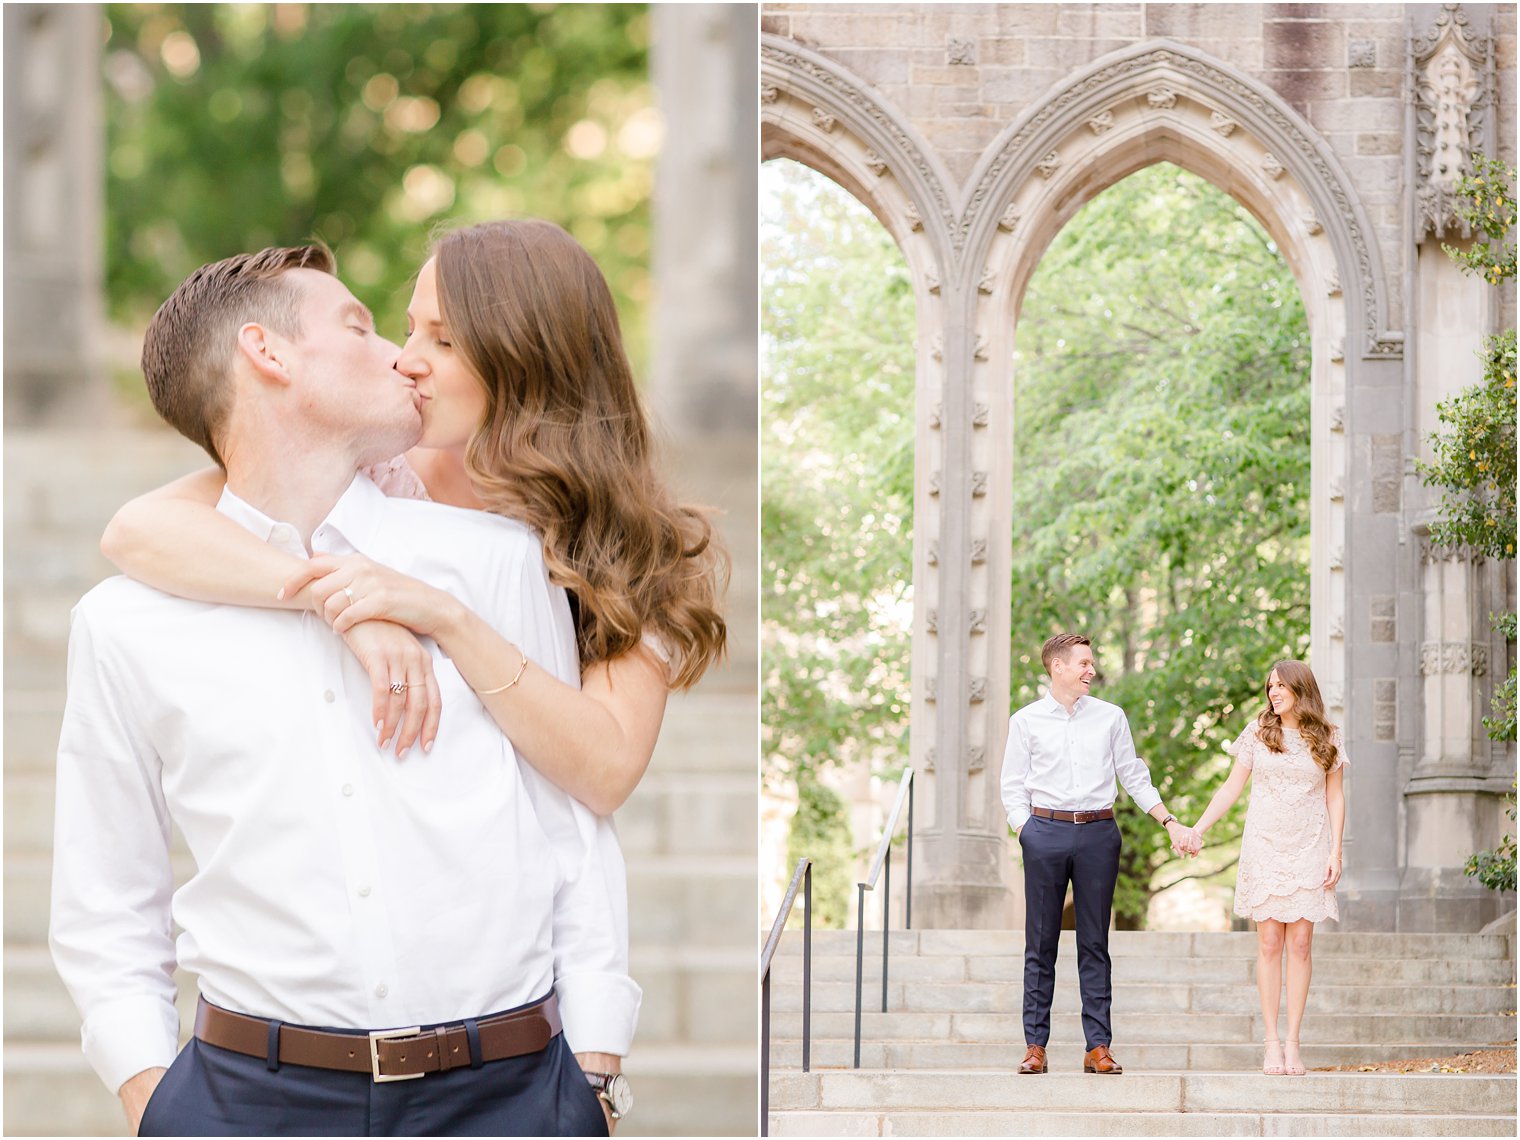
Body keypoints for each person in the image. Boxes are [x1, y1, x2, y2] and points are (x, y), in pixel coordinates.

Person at [51, 245, 639, 1136]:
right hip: (244, 1100)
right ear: (268, 354)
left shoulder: (492, 560)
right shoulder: (125, 623)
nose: (403, 356)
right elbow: (106, 896)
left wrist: (591, 1071)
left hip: (509, 1095)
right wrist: (152, 1100)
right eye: (363, 328)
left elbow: (569, 825)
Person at [100, 219, 728, 816]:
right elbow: (137, 531)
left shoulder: (632, 540)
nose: (407, 360)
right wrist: (338, 603)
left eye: (446, 341)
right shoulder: (377, 470)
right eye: (410, 331)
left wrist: (446, 617)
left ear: (530, 356)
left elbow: (608, 768)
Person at [1000, 633, 1191, 1076]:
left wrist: (1169, 821)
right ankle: (1035, 1047)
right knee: (1041, 943)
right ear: (1057, 667)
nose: (1091, 670)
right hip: (1043, 831)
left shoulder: (1110, 717)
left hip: (1099, 833)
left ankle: (1098, 1047)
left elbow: (1134, 776)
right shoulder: (1025, 721)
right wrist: (1025, 829)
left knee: (1094, 943)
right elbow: (1012, 784)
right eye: (1083, 663)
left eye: (1091, 663)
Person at [1179, 660, 1347, 1077]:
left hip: (1310, 846)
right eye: (1269, 686)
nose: (1273, 693)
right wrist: (1197, 829)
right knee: (1270, 942)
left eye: (1280, 686)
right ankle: (1271, 1043)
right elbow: (1231, 787)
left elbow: (1336, 797)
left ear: (1300, 689)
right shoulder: (1258, 733)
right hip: (1265, 846)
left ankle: (1293, 1043)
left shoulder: (1328, 738)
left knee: (1302, 944)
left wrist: (1336, 852)